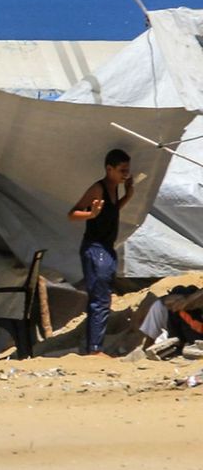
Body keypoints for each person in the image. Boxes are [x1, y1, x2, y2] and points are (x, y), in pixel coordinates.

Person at [68, 149, 133, 356]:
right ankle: (94, 350)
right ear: (109, 169)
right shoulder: (99, 189)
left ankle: (94, 346)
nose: (126, 174)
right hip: (95, 249)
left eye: (127, 170)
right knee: (100, 299)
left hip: (106, 248)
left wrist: (128, 196)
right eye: (122, 170)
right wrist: (91, 213)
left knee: (102, 297)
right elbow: (72, 214)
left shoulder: (115, 189)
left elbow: (111, 212)